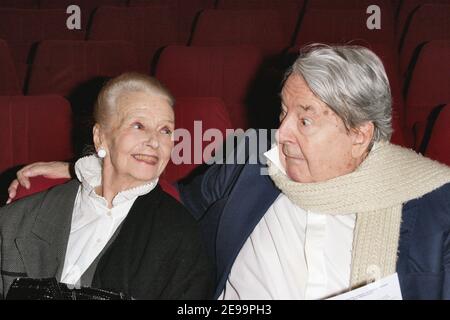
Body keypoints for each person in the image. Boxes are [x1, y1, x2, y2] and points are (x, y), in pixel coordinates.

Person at [7, 45, 450, 300]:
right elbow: (170, 201)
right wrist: (88, 165)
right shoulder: (251, 162)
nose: (282, 132)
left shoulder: (431, 203)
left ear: (360, 133)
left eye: (306, 119)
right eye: (283, 112)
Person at [0, 72, 213, 299]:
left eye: (165, 130)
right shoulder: (18, 219)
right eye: (138, 125)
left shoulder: (181, 235)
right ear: (100, 137)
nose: (154, 141)